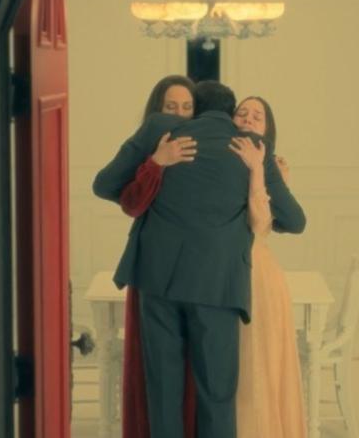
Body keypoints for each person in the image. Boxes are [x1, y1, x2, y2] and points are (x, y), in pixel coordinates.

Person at [93, 81, 305, 438]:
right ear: (230, 112)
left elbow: (104, 184)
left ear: (197, 108)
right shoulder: (252, 146)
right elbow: (294, 221)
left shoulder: (160, 129)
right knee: (217, 394)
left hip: (157, 279)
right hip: (217, 286)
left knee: (163, 391)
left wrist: (156, 173)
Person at [113, 75, 199, 438]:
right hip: (153, 271)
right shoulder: (146, 147)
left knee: (196, 370)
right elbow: (131, 204)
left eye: (187, 108)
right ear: (156, 111)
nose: (179, 115)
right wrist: (158, 162)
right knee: (155, 370)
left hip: (198, 274)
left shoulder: (205, 151)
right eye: (171, 107)